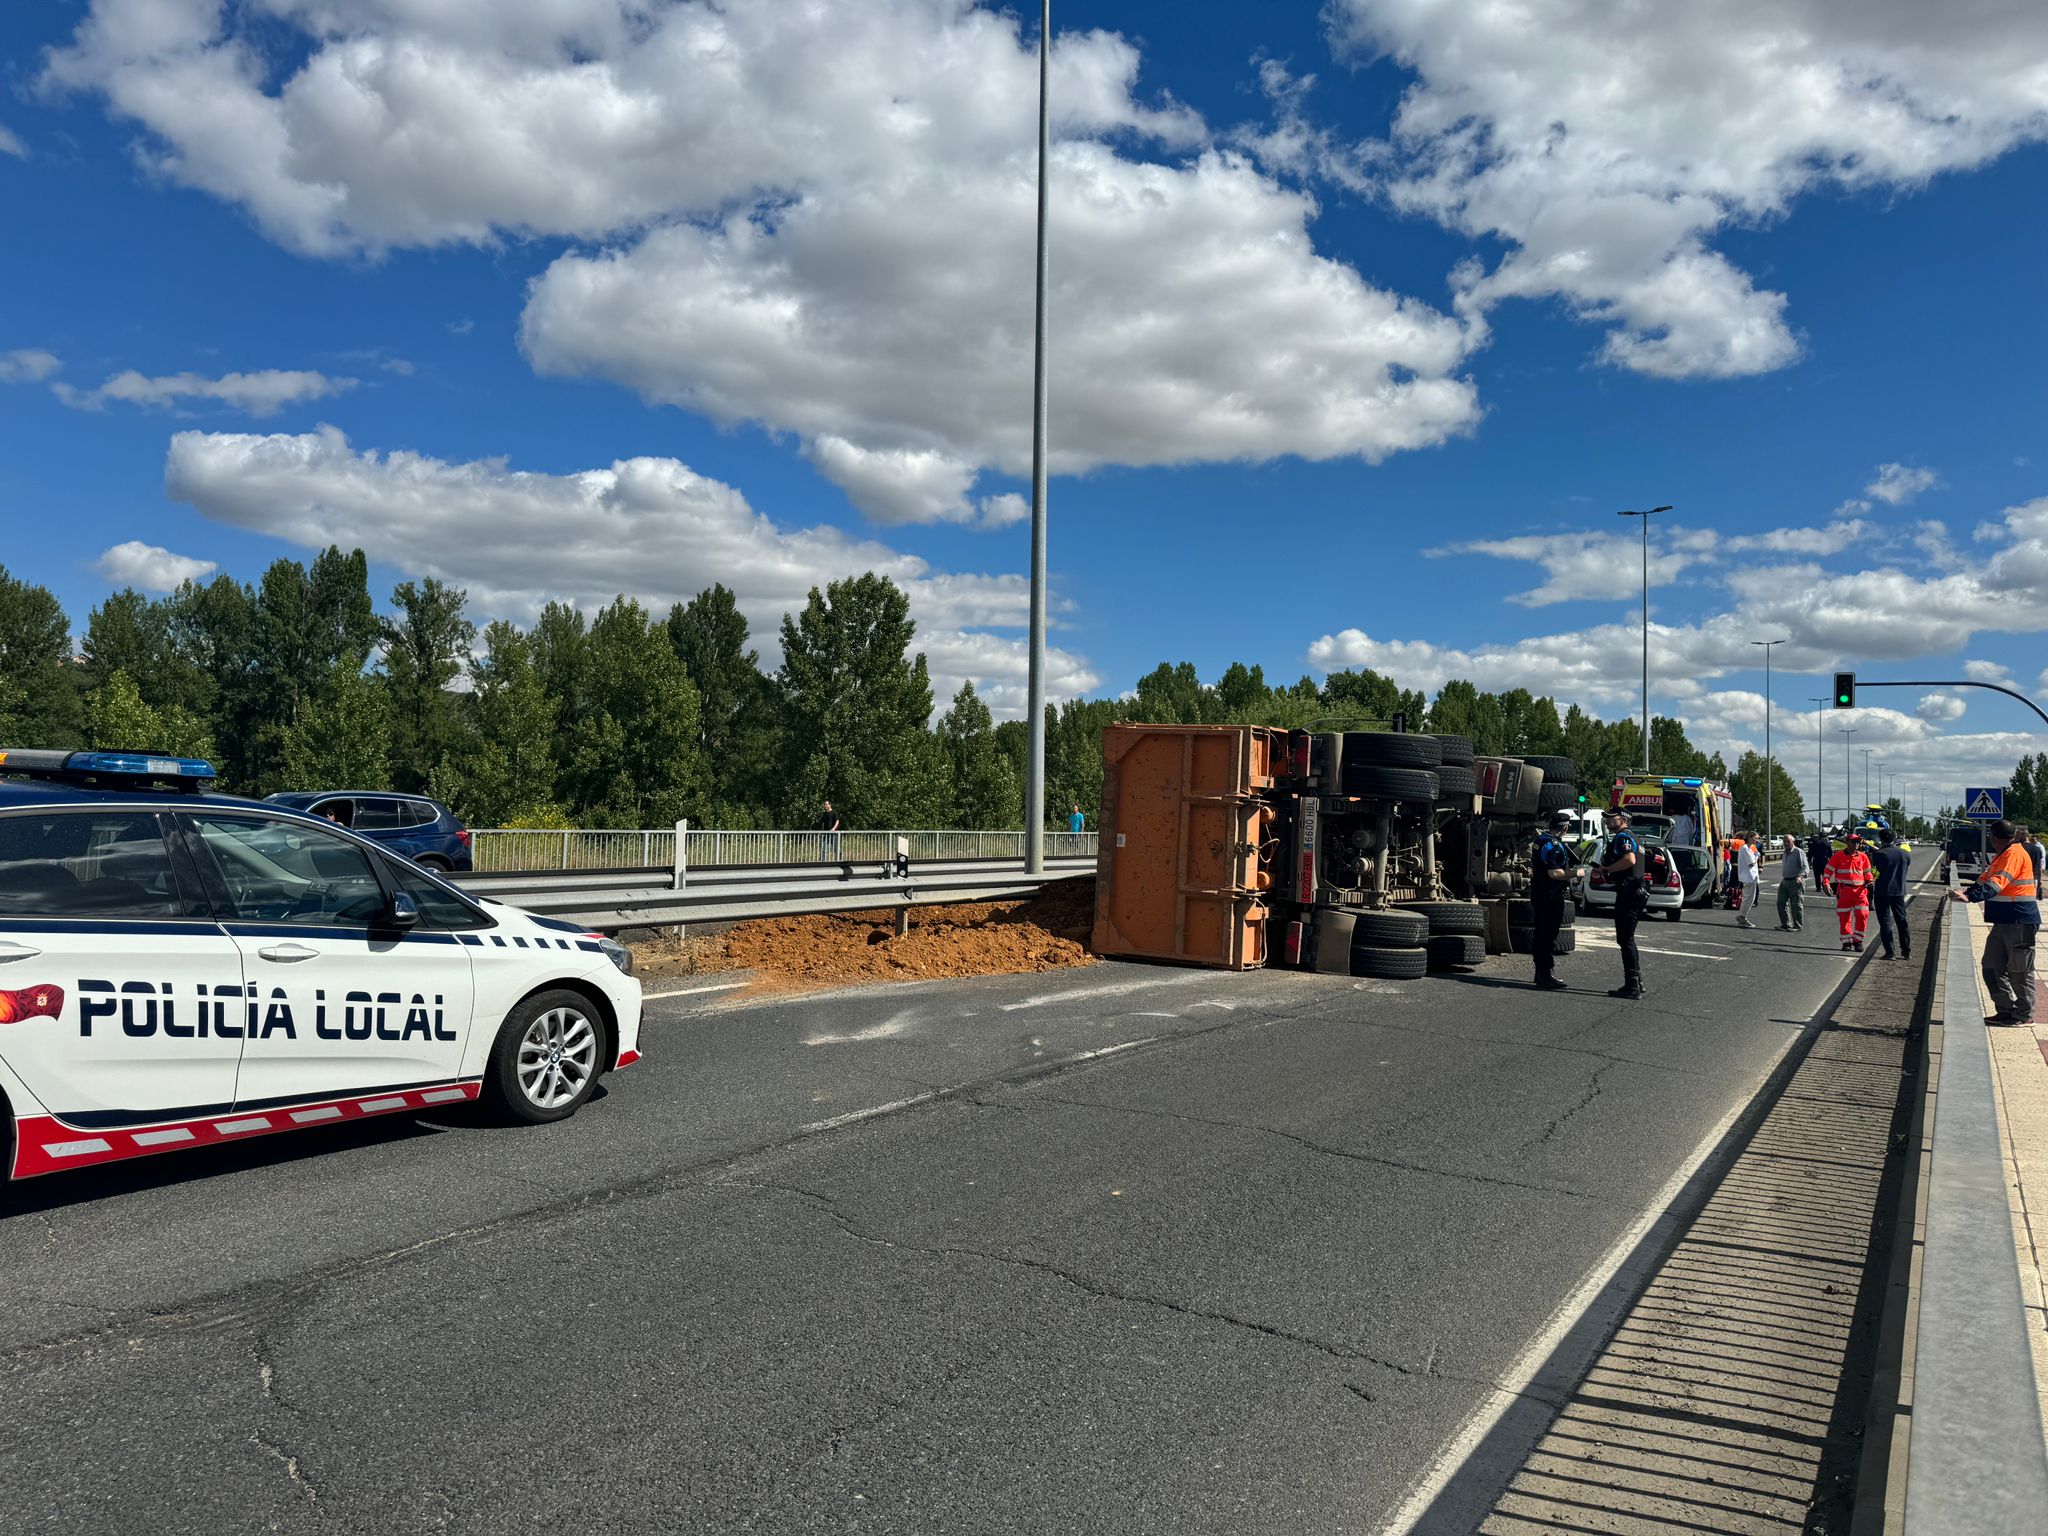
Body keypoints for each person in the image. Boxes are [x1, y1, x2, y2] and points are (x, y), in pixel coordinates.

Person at [1950, 818, 2038, 1024]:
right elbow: (1984, 879)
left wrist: (1970, 897)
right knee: (1991, 966)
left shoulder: (2014, 855)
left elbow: (1997, 884)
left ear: (1993, 837)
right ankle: (2005, 1010)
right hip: (2004, 921)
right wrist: (1966, 891)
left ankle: (2023, 1015)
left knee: (2019, 970)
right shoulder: (2003, 855)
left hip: (2020, 920)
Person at [1599, 810, 1645, 999]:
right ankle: (1637, 982)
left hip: (1629, 891)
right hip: (1635, 890)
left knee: (1625, 939)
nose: (1608, 820)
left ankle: (1632, 985)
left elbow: (1629, 860)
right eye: (1607, 817)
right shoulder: (1634, 837)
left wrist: (1608, 869)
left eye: (1612, 817)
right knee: (1627, 938)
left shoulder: (1623, 837)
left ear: (1623, 820)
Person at [1530, 811, 1574, 991]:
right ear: (1565, 828)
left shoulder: (1539, 841)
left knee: (1541, 933)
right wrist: (1576, 873)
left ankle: (1541, 973)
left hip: (1539, 892)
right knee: (1548, 935)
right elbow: (1554, 873)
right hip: (1551, 895)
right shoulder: (1554, 845)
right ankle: (1545, 974)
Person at [1824, 831, 1875, 952]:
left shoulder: (1863, 857)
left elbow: (1867, 873)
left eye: (1858, 842)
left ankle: (1858, 940)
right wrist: (1825, 883)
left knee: (1862, 915)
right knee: (1844, 917)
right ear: (1847, 842)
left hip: (1860, 891)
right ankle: (1846, 942)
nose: (1856, 844)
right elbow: (1827, 871)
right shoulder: (1838, 856)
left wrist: (1870, 880)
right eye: (1853, 842)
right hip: (1844, 891)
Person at [1872, 827, 1912, 961]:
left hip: (1882, 891)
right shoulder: (1904, 854)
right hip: (1899, 891)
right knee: (1902, 921)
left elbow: (1873, 873)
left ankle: (1890, 952)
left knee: (1885, 922)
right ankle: (1906, 951)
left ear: (1881, 839)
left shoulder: (1878, 854)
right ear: (1894, 838)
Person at [1777, 835, 1807, 931]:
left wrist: (1800, 876)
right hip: (1785, 880)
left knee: (1796, 905)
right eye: (1784, 841)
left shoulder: (1798, 852)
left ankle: (1797, 925)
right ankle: (1785, 924)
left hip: (1795, 881)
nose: (1786, 843)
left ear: (1793, 841)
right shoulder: (1785, 853)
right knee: (1781, 902)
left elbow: (1805, 867)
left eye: (1788, 841)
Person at [1735, 837, 1761, 928]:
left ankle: (1742, 915)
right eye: (1755, 838)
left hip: (1750, 877)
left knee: (1748, 898)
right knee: (1749, 899)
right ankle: (1743, 918)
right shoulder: (1745, 849)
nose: (1757, 840)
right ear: (1749, 838)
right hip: (1749, 877)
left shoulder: (1747, 849)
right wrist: (1757, 855)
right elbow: (1751, 863)